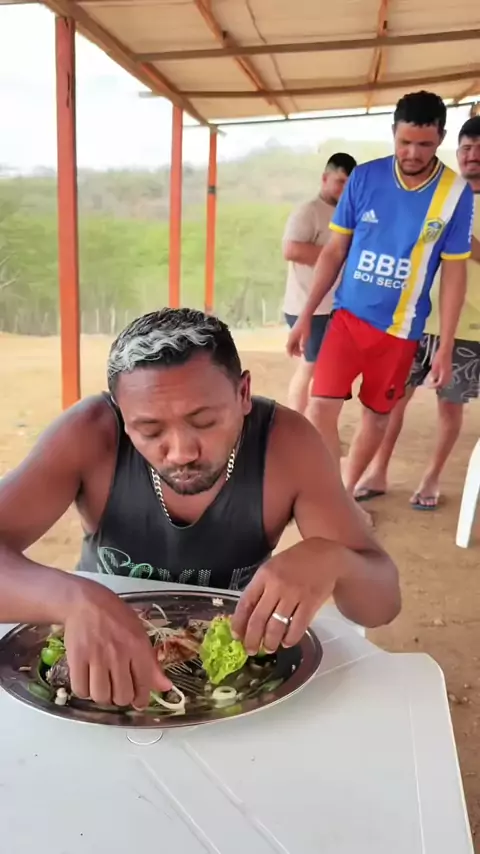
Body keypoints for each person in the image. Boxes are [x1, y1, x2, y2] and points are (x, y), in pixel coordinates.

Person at [0, 308, 400, 709]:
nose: (181, 452)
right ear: (122, 414)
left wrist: (334, 560)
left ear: (243, 394)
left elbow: (380, 606)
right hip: (100, 666)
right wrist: (74, 600)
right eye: (150, 430)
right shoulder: (88, 434)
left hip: (232, 678)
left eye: (205, 421)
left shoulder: (287, 446)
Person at [287, 91, 474, 505]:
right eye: (404, 142)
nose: (413, 153)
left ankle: (345, 494)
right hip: (347, 318)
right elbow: (334, 251)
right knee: (319, 409)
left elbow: (454, 272)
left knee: (377, 416)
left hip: (400, 331)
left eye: (425, 144)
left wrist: (445, 346)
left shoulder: (455, 193)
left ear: (441, 138)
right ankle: (330, 497)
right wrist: (305, 314)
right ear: (393, 133)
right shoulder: (364, 178)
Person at [355, 116, 480, 510]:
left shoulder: (454, 206)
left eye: (479, 150)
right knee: (393, 399)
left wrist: (458, 236)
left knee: (449, 405)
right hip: (414, 318)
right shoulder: (442, 192)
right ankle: (377, 471)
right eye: (466, 148)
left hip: (467, 328)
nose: (472, 156)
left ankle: (432, 478)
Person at [283, 152, 357, 413]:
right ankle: (298, 424)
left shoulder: (349, 214)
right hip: (308, 306)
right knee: (309, 367)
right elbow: (291, 250)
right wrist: (336, 255)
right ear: (325, 179)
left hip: (334, 306)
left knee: (323, 371)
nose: (344, 189)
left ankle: (312, 423)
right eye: (340, 181)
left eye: (350, 183)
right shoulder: (309, 211)